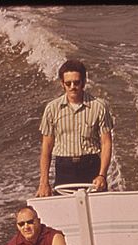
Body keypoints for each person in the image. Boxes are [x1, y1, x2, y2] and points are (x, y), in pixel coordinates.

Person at [37, 59, 114, 197]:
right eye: (68, 83)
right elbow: (47, 147)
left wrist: (102, 175)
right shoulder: (52, 109)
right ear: (62, 84)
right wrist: (44, 182)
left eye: (77, 82)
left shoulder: (99, 107)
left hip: (91, 166)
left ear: (84, 82)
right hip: (64, 169)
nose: (73, 87)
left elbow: (106, 143)